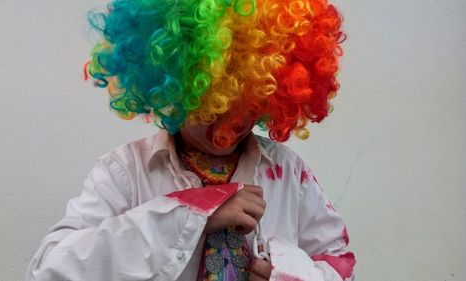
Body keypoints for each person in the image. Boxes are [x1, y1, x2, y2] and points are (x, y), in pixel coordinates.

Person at [26, 0, 355, 280]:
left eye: (251, 103)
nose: (233, 123)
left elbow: (339, 265)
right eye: (215, 104)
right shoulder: (125, 172)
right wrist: (191, 215)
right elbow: (50, 270)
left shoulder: (290, 173)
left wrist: (284, 271)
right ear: (176, 88)